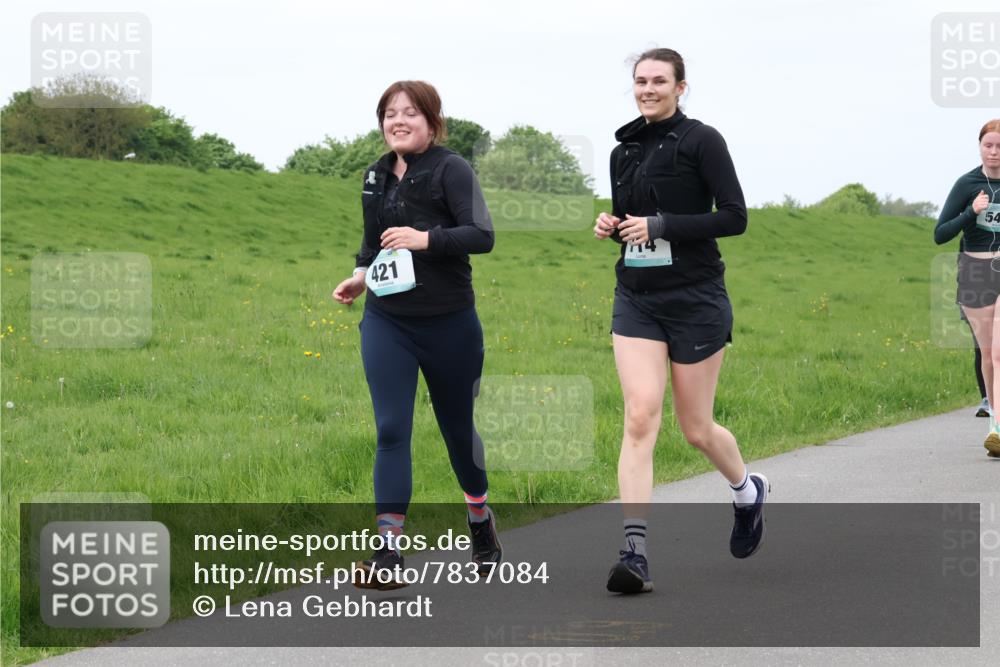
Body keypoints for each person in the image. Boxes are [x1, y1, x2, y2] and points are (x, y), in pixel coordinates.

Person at [593, 48, 767, 594]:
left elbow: (734, 217)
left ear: (680, 87)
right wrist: (614, 226)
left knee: (696, 429)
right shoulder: (623, 150)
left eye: (658, 81)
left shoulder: (702, 140)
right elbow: (634, 224)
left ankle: (747, 491)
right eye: (640, 81)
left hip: (696, 298)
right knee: (640, 416)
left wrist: (661, 224)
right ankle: (635, 553)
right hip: (637, 298)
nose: (647, 89)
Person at [332, 80, 502, 588]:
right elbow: (372, 243)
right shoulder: (375, 175)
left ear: (431, 121)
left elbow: (482, 235)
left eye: (410, 113)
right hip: (388, 321)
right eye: (390, 113)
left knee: (457, 433)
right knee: (390, 429)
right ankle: (388, 553)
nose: (398, 121)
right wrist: (361, 276)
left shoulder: (452, 169)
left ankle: (479, 516)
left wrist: (424, 239)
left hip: (449, 323)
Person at [935, 118, 1000, 458]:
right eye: (988, 145)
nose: (994, 152)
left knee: (999, 352)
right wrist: (970, 212)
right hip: (975, 271)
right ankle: (995, 425)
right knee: (987, 354)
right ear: (979, 147)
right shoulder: (967, 183)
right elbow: (940, 234)